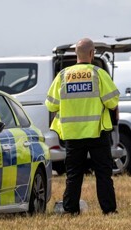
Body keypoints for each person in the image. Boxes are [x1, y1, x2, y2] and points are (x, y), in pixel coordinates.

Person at [45, 38, 119, 215]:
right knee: (103, 173)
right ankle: (108, 210)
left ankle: (70, 209)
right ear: (92, 53)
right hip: (96, 132)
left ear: (76, 54)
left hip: (72, 134)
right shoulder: (98, 74)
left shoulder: (63, 75)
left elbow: (51, 105)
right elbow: (112, 101)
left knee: (73, 174)